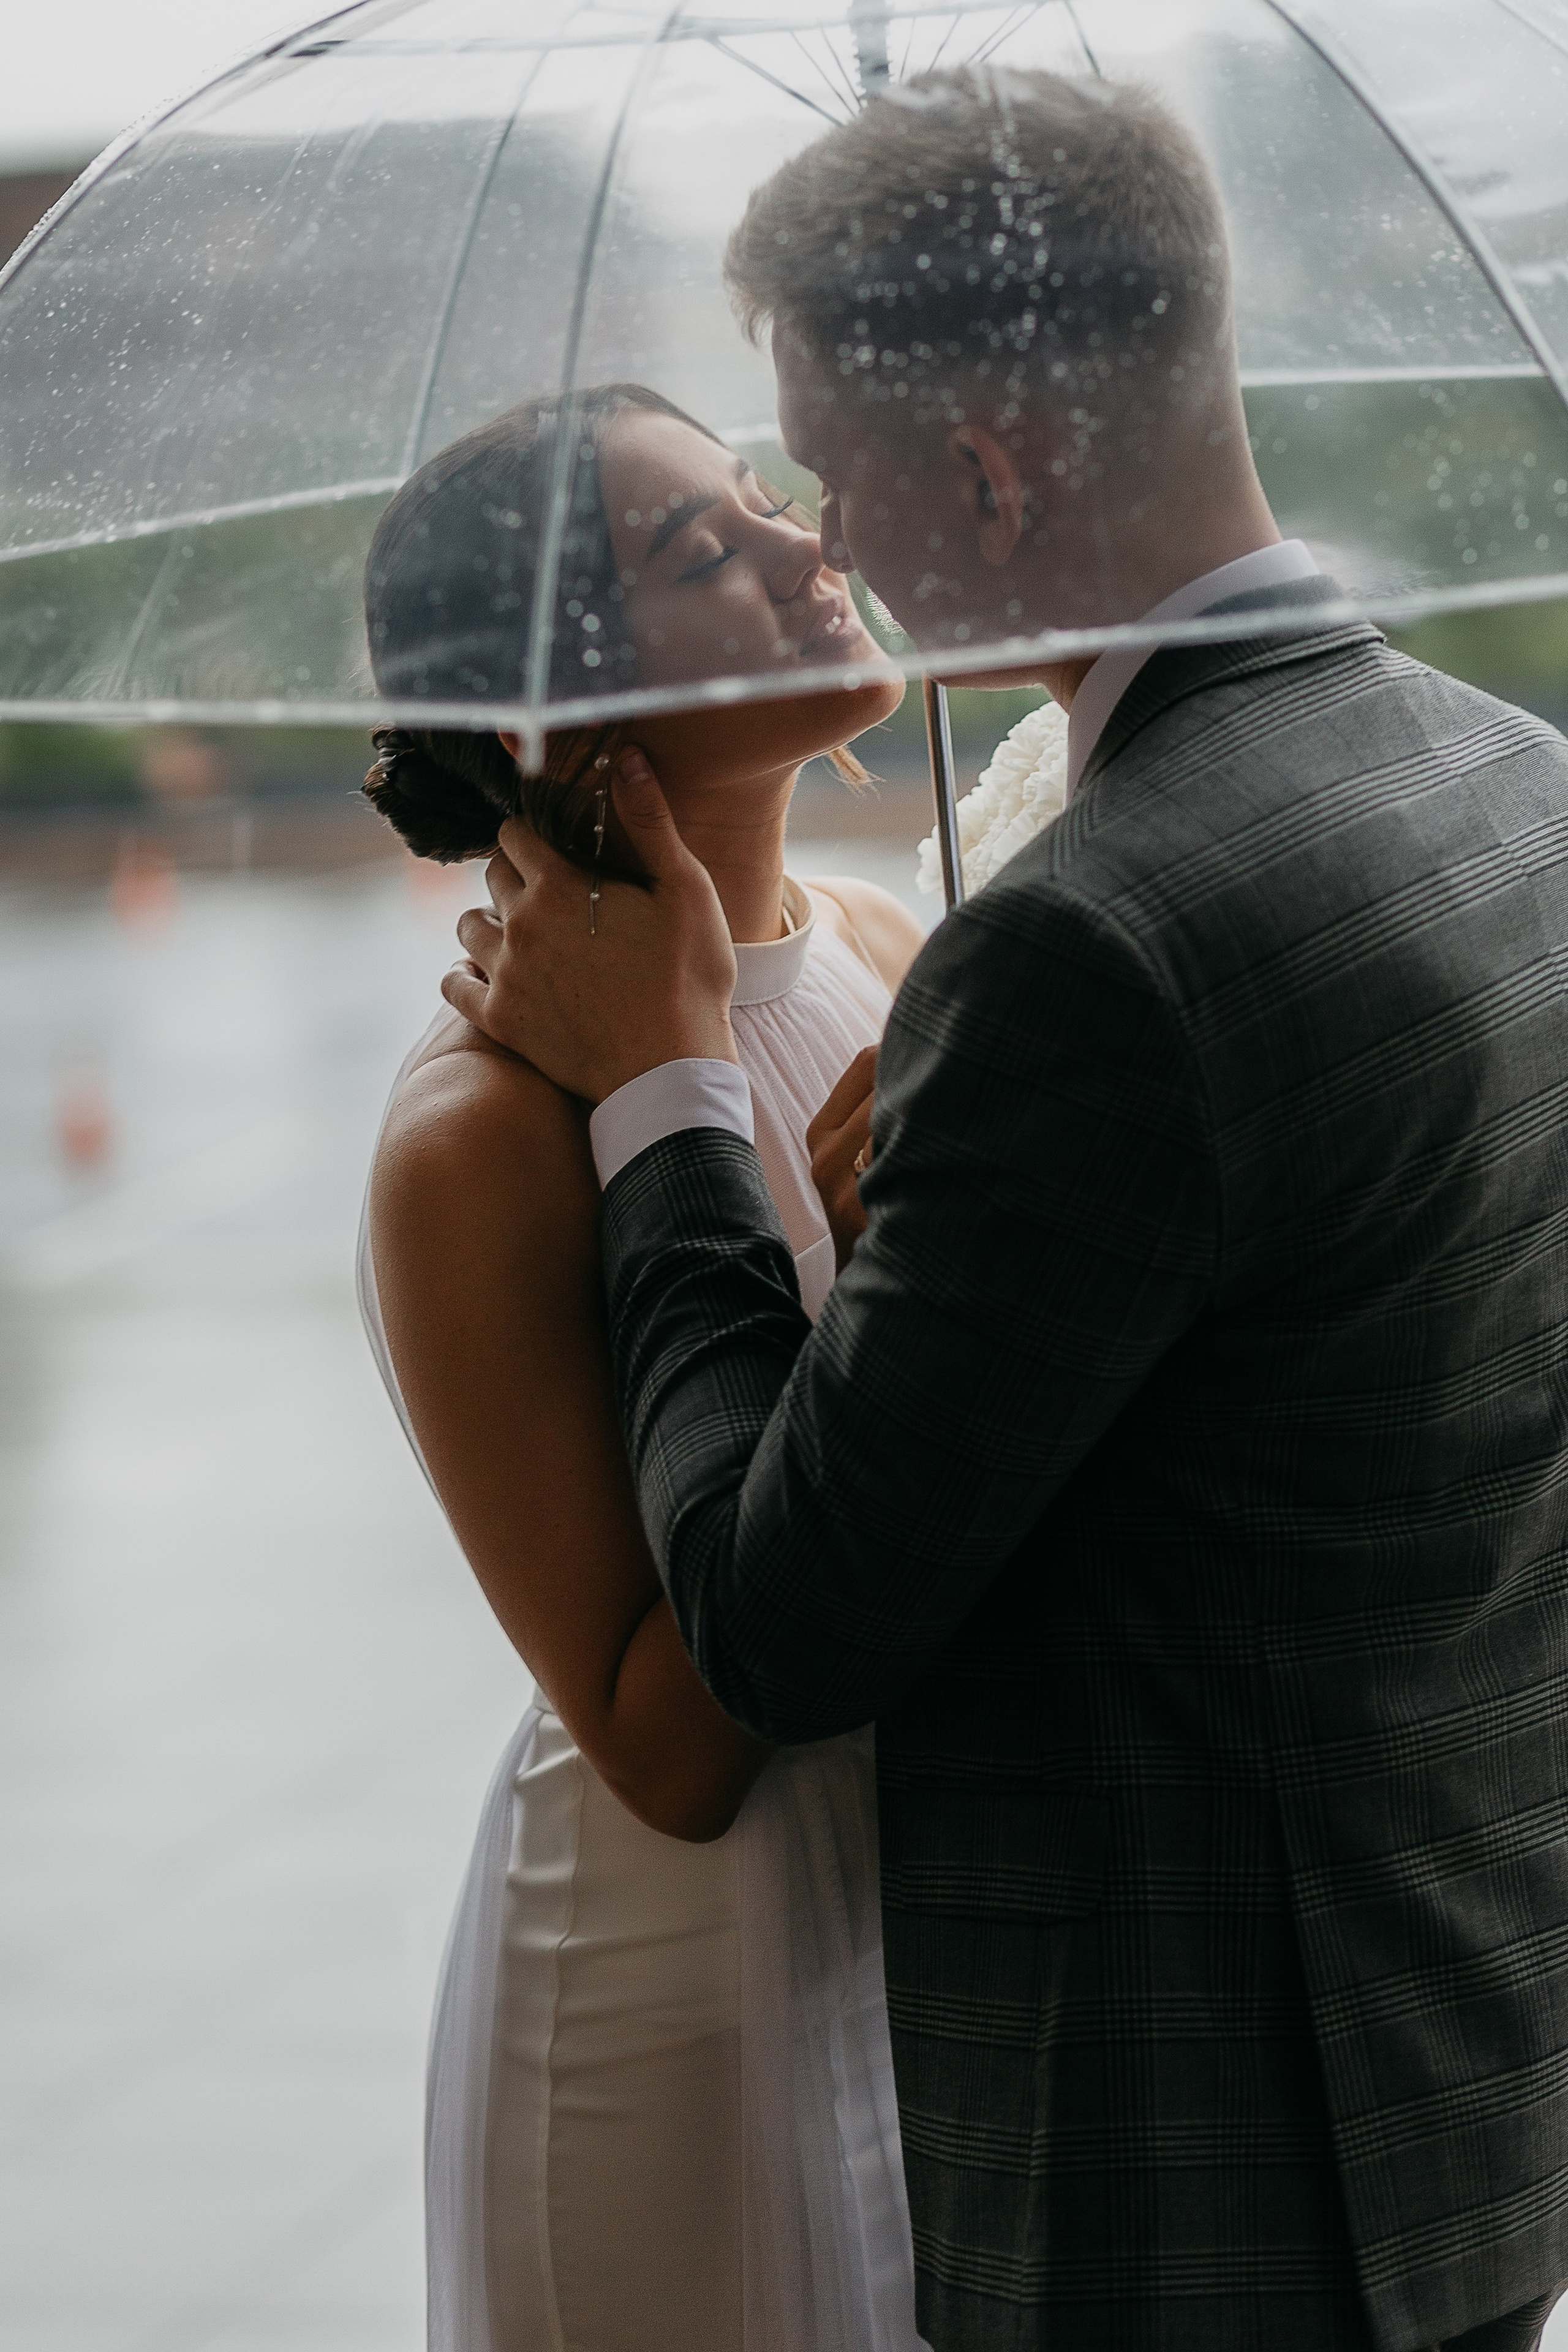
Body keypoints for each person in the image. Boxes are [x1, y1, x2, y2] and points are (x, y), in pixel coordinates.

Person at [442, 68, 1568, 2352]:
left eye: (827, 469)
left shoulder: (1085, 950)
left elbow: (767, 1629)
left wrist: (667, 1088)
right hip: (1463, 2079)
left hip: (1195, 2168)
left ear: (984, 464)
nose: (826, 534)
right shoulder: (1513, 779)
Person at [355, 382, 933, 2352]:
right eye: (708, 551)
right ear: (556, 712)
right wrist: (872, 1290)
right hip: (670, 2011)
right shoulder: (482, 1138)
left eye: (767, 500)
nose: (808, 540)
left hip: (920, 1951)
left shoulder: (895, 951)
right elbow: (664, 1747)